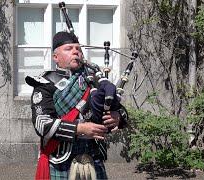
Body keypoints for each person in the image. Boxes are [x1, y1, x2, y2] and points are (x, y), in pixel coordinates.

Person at [25, 31, 128, 180]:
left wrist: (118, 117)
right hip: (61, 161)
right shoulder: (45, 83)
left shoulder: (94, 81)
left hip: (94, 159)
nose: (75, 52)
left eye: (78, 49)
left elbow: (120, 111)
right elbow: (42, 124)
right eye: (69, 49)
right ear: (56, 57)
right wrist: (80, 129)